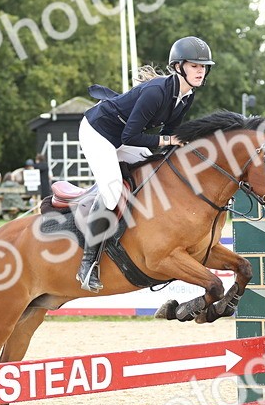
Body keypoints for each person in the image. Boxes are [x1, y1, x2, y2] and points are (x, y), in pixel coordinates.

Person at [74, 36, 213, 291]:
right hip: (98, 133)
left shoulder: (186, 96)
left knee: (157, 165)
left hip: (124, 136)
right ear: (178, 67)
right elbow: (132, 137)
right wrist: (168, 140)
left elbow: (170, 136)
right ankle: (87, 264)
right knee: (113, 190)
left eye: (203, 66)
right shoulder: (155, 92)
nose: (200, 71)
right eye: (194, 65)